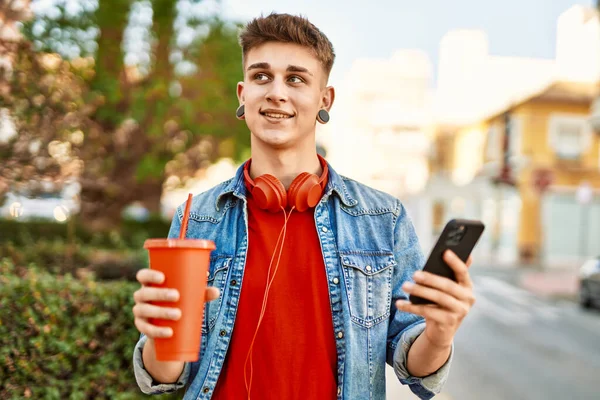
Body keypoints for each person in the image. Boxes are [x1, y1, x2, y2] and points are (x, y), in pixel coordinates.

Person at [132, 12, 476, 400]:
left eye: (296, 79)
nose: (276, 91)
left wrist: (439, 335)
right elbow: (168, 375)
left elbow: (414, 367)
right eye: (262, 76)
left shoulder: (383, 219)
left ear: (324, 99)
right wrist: (160, 336)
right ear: (243, 95)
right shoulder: (197, 217)